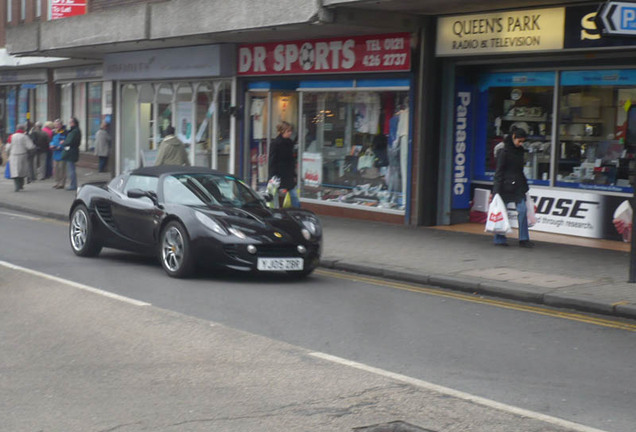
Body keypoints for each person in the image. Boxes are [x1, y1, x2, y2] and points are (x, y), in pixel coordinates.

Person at [492, 127, 534, 248]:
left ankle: (524, 238)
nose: (521, 144)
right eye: (519, 141)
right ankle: (500, 238)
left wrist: (524, 186)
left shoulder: (520, 151)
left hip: (518, 185)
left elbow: (520, 170)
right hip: (505, 186)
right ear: (513, 136)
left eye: (522, 142)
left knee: (523, 210)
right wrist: (496, 191)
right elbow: (499, 172)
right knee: (502, 211)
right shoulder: (503, 151)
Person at [268, 121, 300, 208]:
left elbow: (291, 160)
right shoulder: (275, 144)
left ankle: (297, 212)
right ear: (282, 131)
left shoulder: (289, 142)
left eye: (291, 131)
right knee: (278, 197)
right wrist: (272, 176)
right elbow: (272, 161)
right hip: (279, 175)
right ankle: (278, 213)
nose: (290, 133)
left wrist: (294, 174)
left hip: (288, 175)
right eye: (288, 131)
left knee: (294, 195)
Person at [5, 124, 36, 192]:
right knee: (22, 170)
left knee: (14, 171)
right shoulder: (24, 137)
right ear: (23, 129)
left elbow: (8, 147)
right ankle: (21, 185)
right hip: (23, 155)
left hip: (13, 155)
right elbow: (30, 146)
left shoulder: (11, 136)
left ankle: (16, 186)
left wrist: (8, 154)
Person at [63, 117, 81, 191]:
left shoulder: (74, 131)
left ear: (74, 123)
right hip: (73, 151)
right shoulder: (75, 130)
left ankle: (73, 185)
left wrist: (64, 142)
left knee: (71, 169)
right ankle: (72, 184)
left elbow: (69, 141)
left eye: (70, 122)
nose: (69, 124)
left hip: (71, 152)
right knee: (71, 168)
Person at [50, 119, 67, 189]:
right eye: (55, 125)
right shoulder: (54, 132)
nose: (56, 126)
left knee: (62, 169)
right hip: (55, 153)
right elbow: (51, 140)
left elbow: (66, 142)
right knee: (55, 169)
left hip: (62, 153)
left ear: (61, 125)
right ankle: (56, 182)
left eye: (57, 124)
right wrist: (51, 145)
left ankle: (62, 183)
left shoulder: (65, 132)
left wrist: (61, 146)